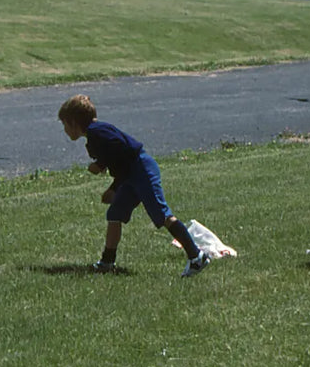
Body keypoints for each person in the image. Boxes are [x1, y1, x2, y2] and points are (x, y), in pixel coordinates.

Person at [57, 94, 212, 277]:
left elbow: (121, 149)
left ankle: (196, 257)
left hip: (142, 169)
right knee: (115, 213)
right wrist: (114, 188)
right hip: (131, 174)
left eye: (65, 125)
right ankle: (107, 261)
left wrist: (100, 165)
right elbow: (121, 161)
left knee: (162, 215)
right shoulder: (95, 134)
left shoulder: (97, 131)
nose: (65, 130)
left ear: (74, 122)